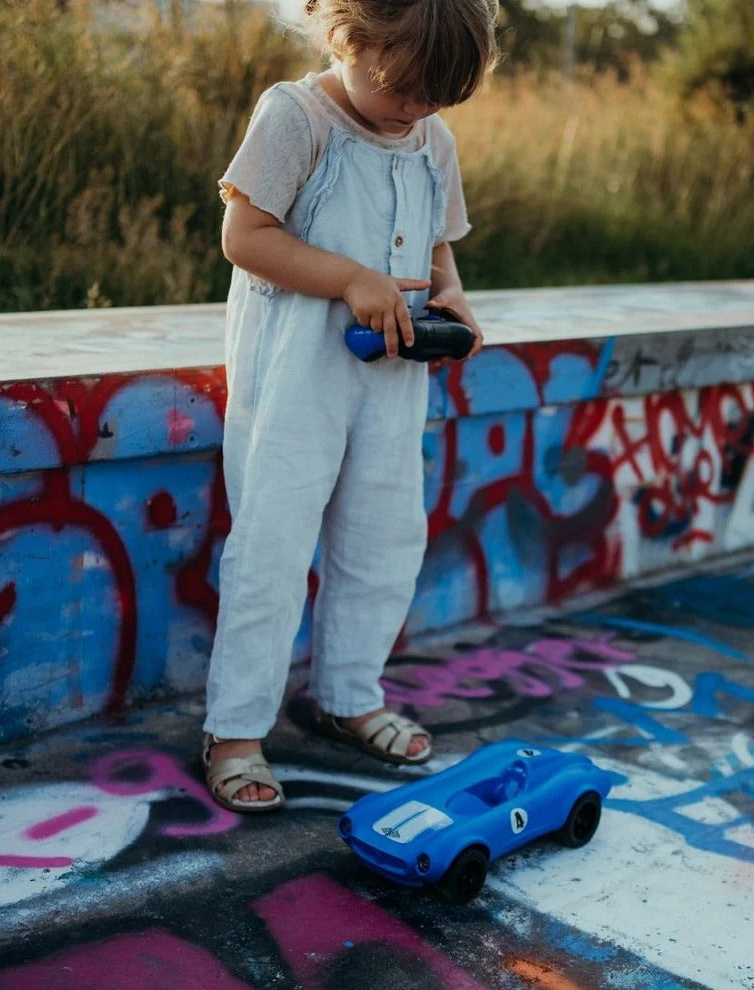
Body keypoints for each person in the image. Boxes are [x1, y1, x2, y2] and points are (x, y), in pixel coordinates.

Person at [201, 0, 500, 812]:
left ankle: (347, 695)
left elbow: (437, 246)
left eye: (436, 97)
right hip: (296, 381)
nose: (416, 109)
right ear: (348, 36)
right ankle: (236, 730)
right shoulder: (296, 117)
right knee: (272, 549)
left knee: (383, 540)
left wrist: (453, 298)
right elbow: (245, 237)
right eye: (403, 88)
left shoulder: (433, 138)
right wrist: (350, 279)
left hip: (393, 381)